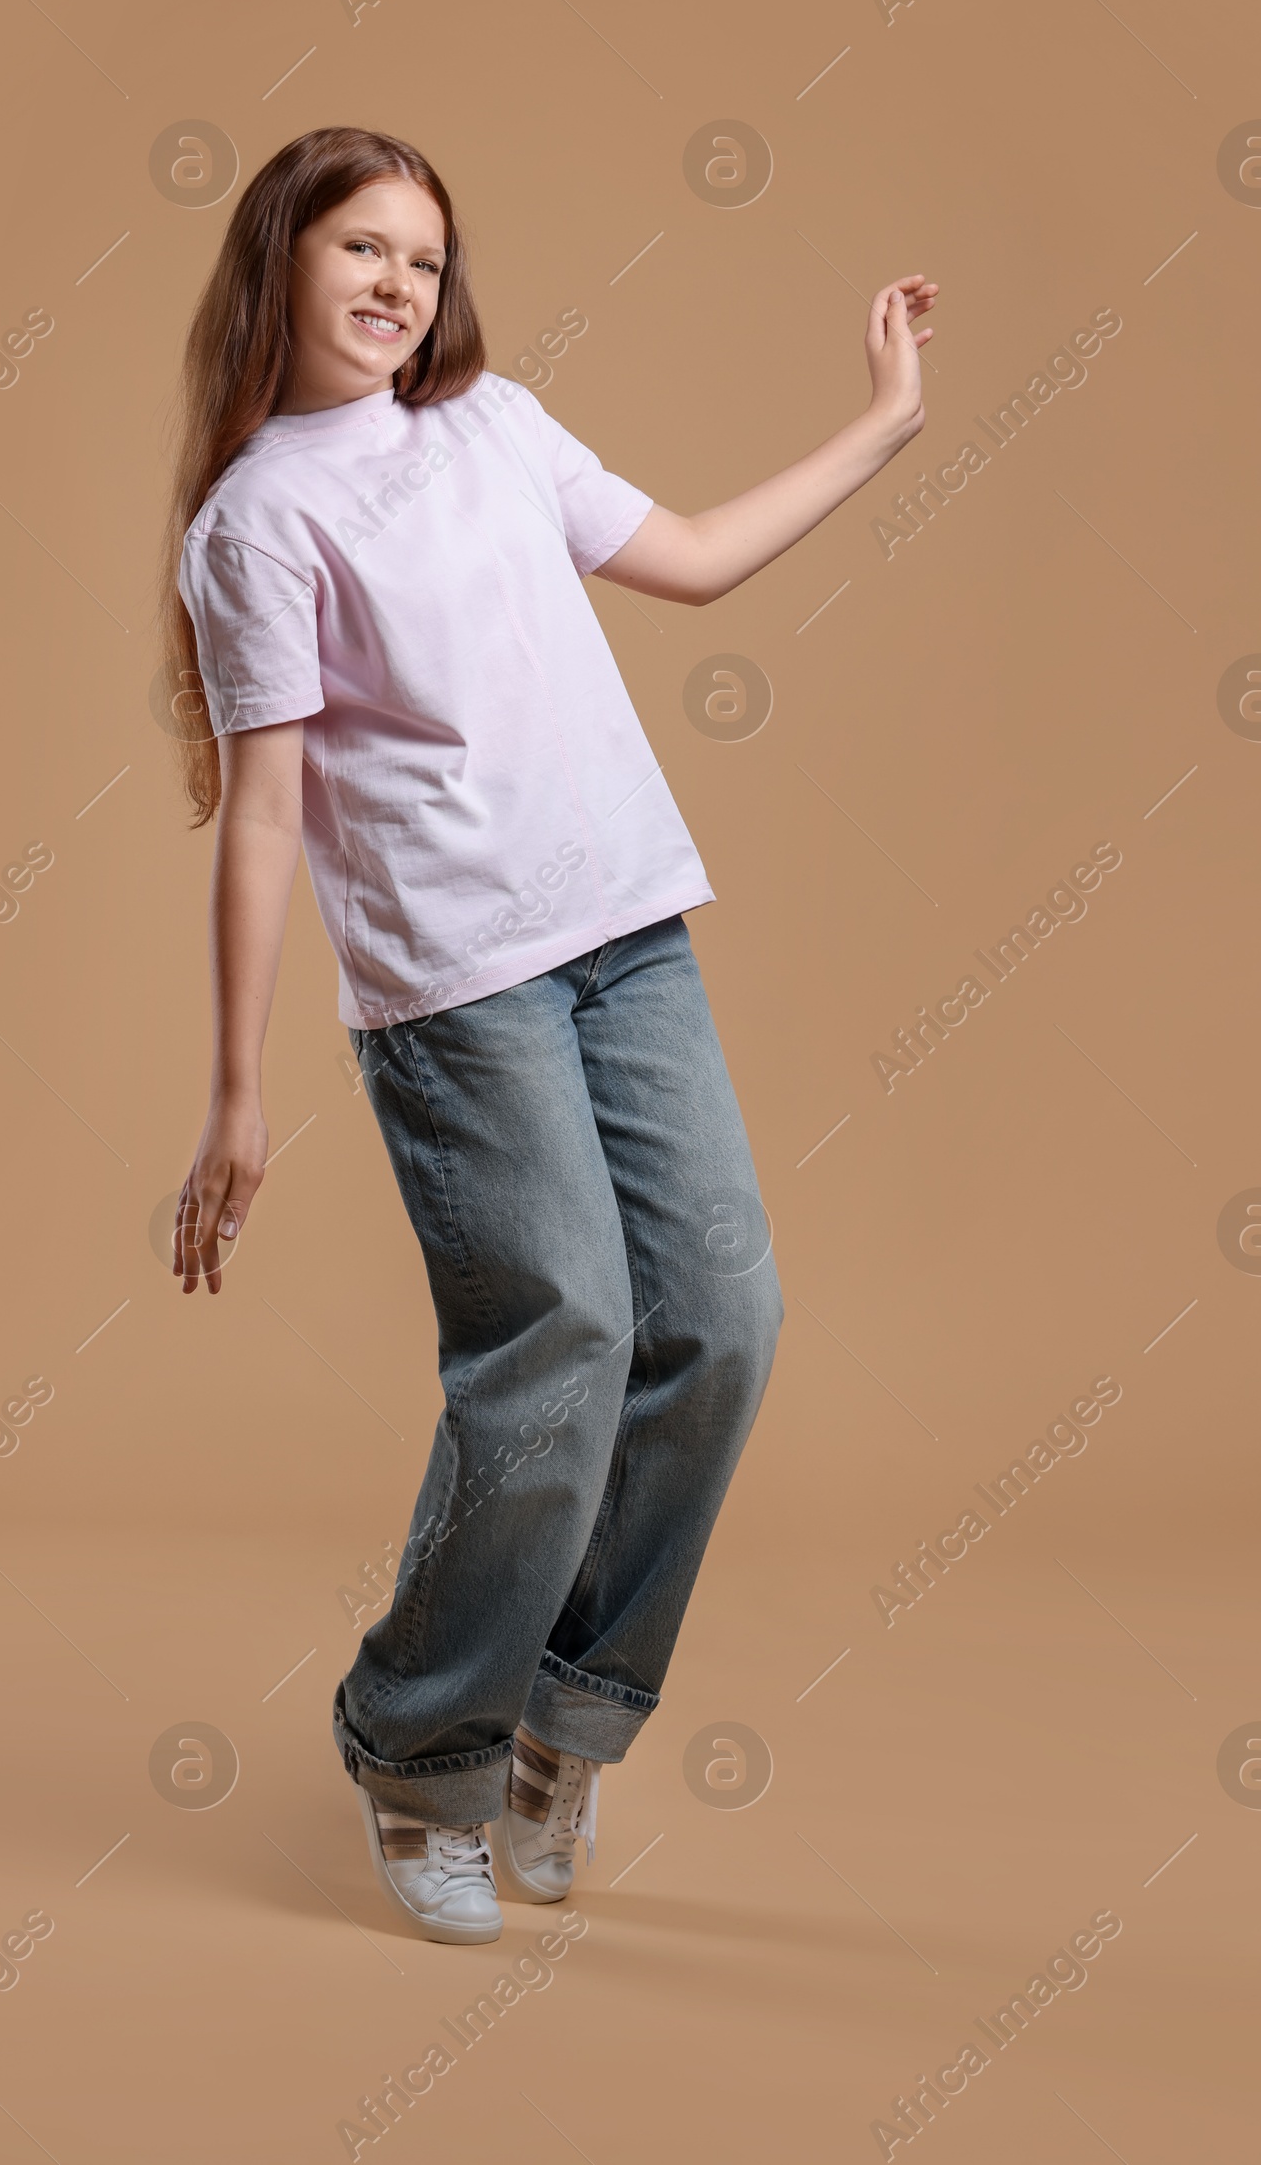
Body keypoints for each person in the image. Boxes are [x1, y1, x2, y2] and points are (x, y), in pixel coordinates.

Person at [162, 126, 936, 1944]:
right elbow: (263, 813)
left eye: (422, 260)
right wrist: (238, 1092)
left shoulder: (494, 427)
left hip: (628, 939)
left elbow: (687, 558)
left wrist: (885, 420)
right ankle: (421, 1756)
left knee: (722, 1320)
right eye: (359, 248)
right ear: (279, 261)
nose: (393, 288)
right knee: (562, 1342)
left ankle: (564, 1727)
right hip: (459, 990)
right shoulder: (258, 520)